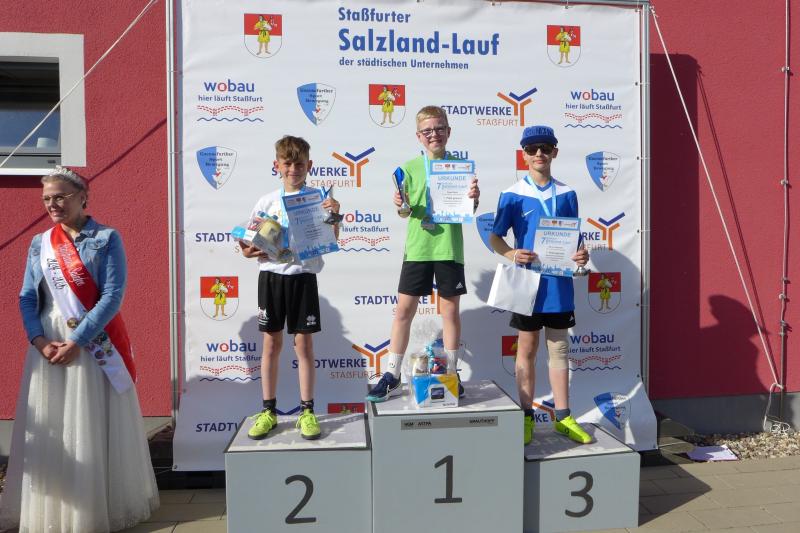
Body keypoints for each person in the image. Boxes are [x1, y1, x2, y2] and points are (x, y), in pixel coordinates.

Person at [0, 166, 159, 532]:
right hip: (49, 344)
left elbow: (112, 296)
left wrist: (77, 341)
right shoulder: (40, 243)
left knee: (89, 422)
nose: (52, 204)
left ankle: (92, 509)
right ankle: (54, 511)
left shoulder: (106, 238)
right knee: (55, 423)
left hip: (90, 341)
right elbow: (27, 296)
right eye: (47, 199)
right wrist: (39, 340)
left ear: (83, 197)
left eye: (60, 197)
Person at [366, 105, 479, 402]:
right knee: (404, 311)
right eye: (427, 131)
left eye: (439, 129)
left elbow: (468, 210)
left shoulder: (461, 167)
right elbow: (404, 211)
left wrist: (473, 200)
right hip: (418, 249)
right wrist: (400, 204)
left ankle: (451, 373)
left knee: (450, 312)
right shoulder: (409, 168)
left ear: (449, 132)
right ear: (418, 136)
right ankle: (391, 375)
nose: (434, 135)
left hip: (448, 248)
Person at [489, 126, 592, 445]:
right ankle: (525, 417)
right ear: (523, 154)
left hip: (558, 285)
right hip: (528, 285)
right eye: (532, 149)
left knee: (559, 349)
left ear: (554, 153)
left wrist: (581, 254)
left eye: (545, 148)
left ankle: (563, 417)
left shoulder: (567, 193)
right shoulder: (512, 193)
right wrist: (511, 253)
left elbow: (574, 239)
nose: (539, 154)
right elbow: (495, 237)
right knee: (527, 349)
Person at [239, 136, 340, 440]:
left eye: (299, 164)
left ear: (309, 165)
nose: (293, 169)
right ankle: (268, 411)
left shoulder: (319, 199)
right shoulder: (266, 201)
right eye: (287, 163)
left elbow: (331, 238)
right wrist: (247, 250)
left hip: (303, 276)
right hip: (271, 277)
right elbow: (249, 242)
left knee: (304, 346)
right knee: (271, 345)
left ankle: (307, 411)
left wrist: (335, 215)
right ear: (277, 165)